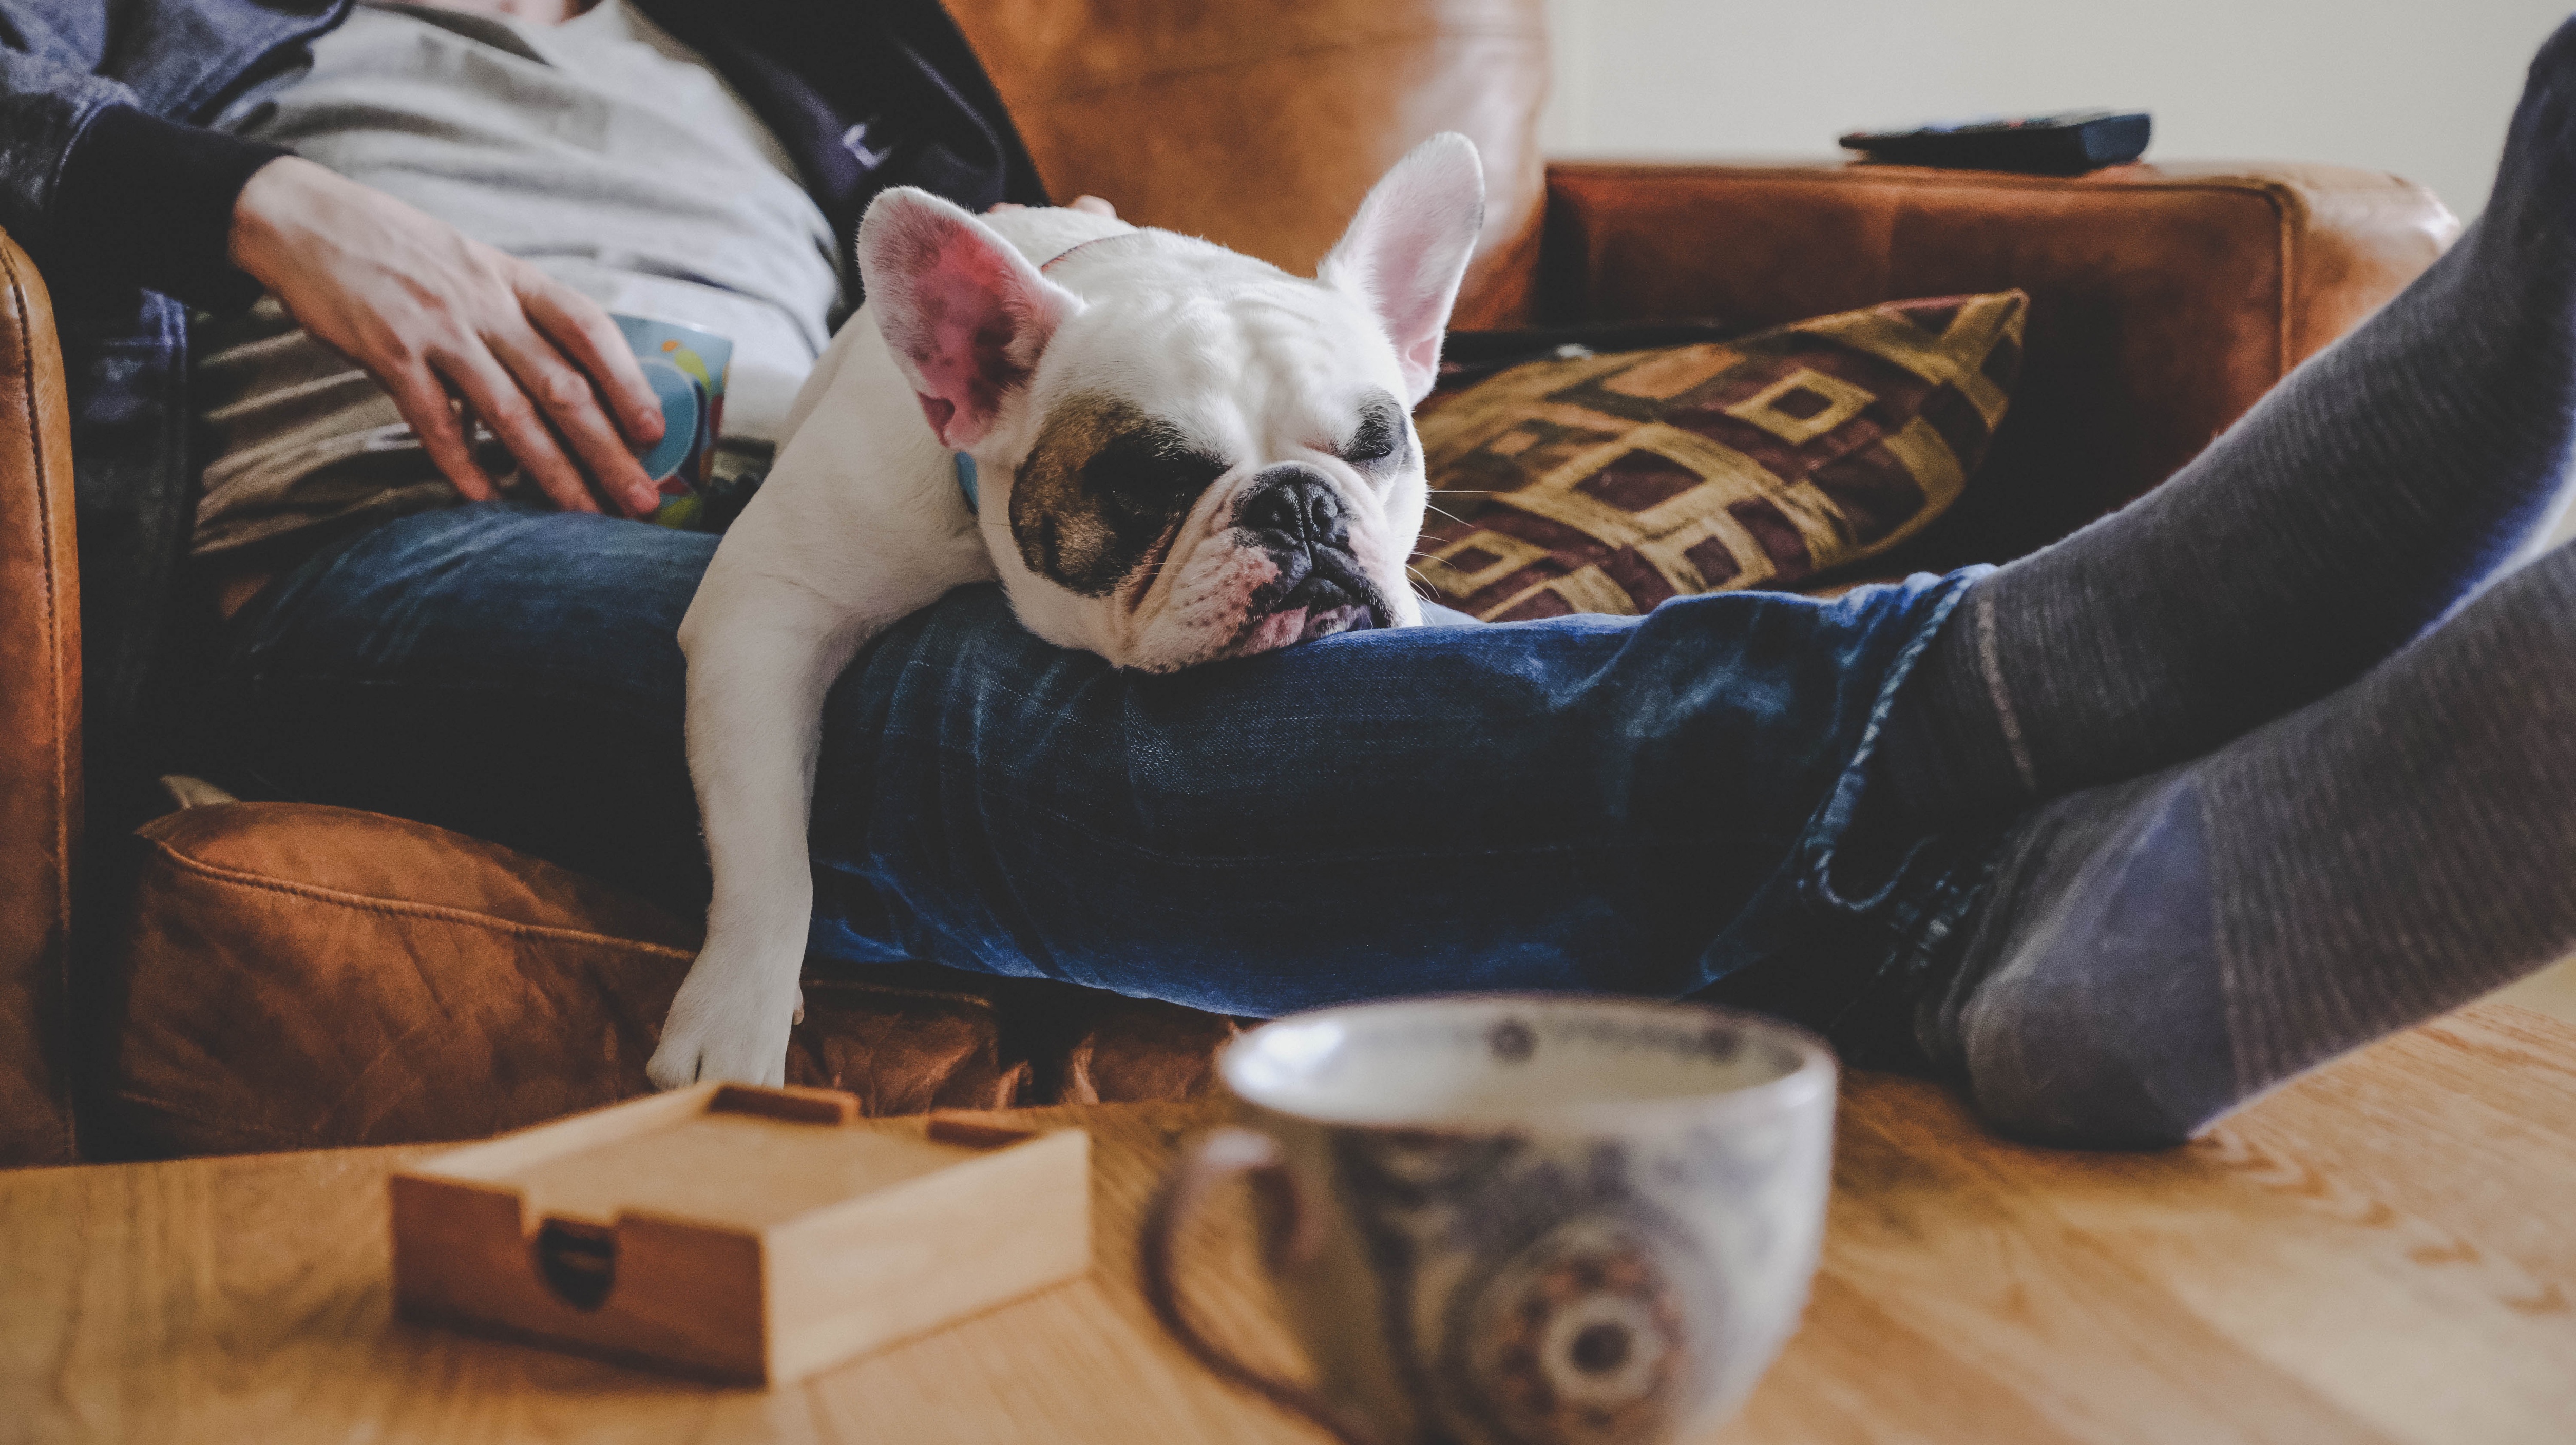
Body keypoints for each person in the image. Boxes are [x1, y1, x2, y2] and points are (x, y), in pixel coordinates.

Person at [11, 0, 2576, 1149]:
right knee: (980, 735)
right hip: (383, 539)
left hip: (801, 466)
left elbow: (1105, 357)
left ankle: (2033, 942)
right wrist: (249, 186)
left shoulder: (811, 47)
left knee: (1145, 680)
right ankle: (2068, 673)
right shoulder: (201, 32)